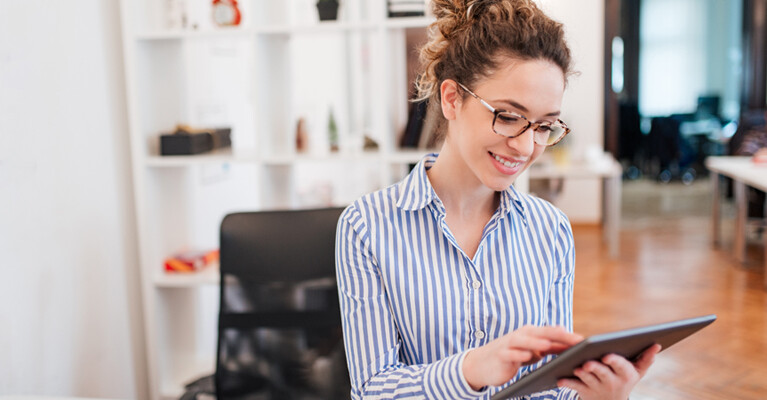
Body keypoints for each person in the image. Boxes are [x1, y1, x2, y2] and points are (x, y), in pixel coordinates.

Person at [335, 0, 660, 398]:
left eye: (544, 126)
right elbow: (372, 389)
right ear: (452, 99)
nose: (525, 147)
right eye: (507, 116)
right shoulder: (366, 226)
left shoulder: (550, 229)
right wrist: (471, 370)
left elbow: (550, 384)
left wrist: (597, 393)